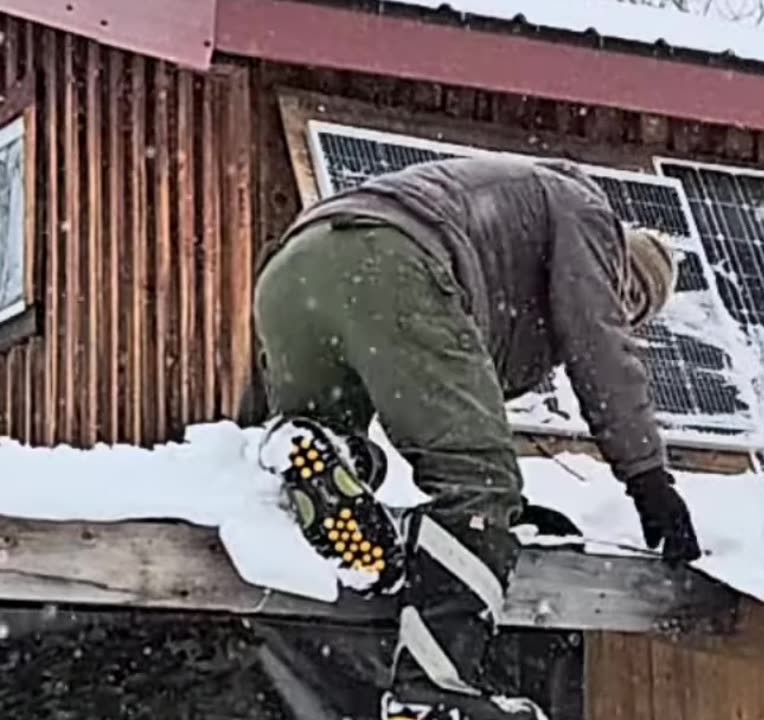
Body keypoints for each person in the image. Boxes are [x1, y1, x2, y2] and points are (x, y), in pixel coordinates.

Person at [249, 155, 703, 720]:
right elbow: (601, 346)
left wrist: (501, 521)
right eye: (630, 296)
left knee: (338, 450)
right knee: (480, 484)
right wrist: (646, 476)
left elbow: (452, 397)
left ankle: (311, 450)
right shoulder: (588, 217)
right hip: (390, 259)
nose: (625, 310)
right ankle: (430, 688)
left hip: (294, 272)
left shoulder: (512, 229)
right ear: (621, 263)